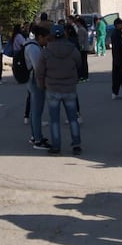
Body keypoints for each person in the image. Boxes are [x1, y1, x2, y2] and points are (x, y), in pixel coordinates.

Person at [35, 24, 83, 155]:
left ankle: (56, 146)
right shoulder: (72, 50)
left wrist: (41, 85)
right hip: (69, 88)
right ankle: (76, 145)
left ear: (51, 36)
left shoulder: (46, 52)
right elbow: (79, 64)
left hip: (52, 88)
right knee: (73, 118)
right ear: (64, 35)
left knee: (54, 120)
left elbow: (39, 72)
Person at [25, 25, 52, 150]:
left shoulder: (32, 46)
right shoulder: (34, 48)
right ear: (40, 37)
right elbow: (38, 68)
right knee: (37, 111)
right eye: (46, 39)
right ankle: (38, 140)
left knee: (34, 110)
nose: (47, 41)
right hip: (35, 81)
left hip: (33, 79)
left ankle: (35, 135)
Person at [74, 16, 89, 81]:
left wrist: (80, 47)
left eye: (77, 23)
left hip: (83, 48)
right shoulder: (84, 29)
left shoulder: (80, 30)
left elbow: (81, 40)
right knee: (84, 62)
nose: (76, 24)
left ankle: (83, 76)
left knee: (82, 62)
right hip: (86, 47)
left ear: (79, 23)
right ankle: (86, 76)